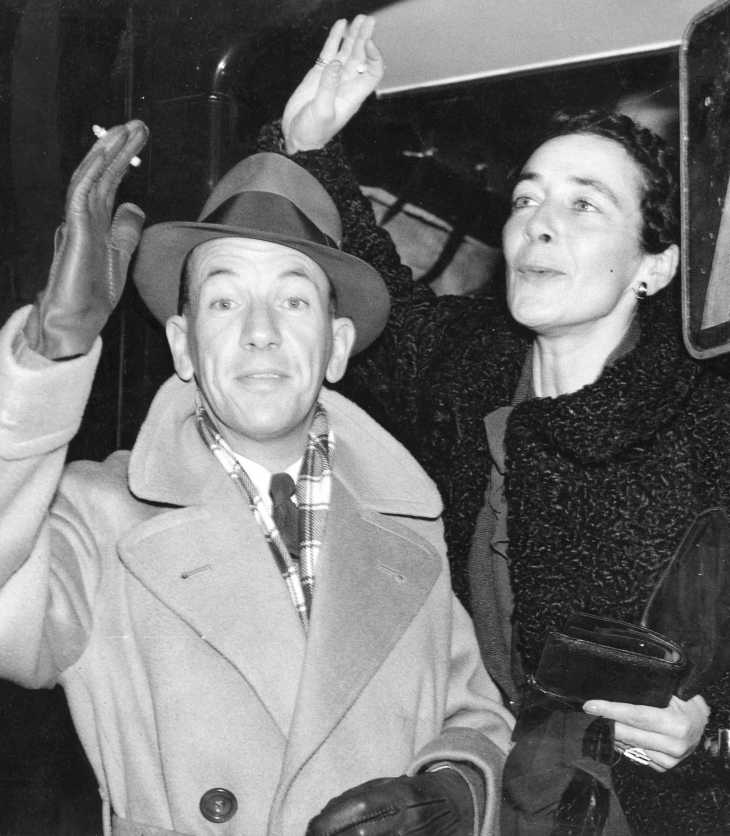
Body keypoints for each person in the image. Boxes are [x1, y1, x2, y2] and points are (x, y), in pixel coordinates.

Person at [261, 15, 730, 835]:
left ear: (655, 265)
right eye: (526, 199)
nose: (537, 224)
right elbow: (376, 281)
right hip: (469, 786)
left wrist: (712, 734)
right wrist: (307, 146)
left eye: (585, 205)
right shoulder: (469, 364)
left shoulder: (706, 417)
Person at [0, 117, 515, 834]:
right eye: (223, 299)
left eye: (295, 299)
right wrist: (48, 359)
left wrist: (455, 792)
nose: (260, 329)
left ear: (336, 348)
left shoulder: (409, 525)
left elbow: (475, 716)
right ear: (183, 344)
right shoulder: (98, 516)